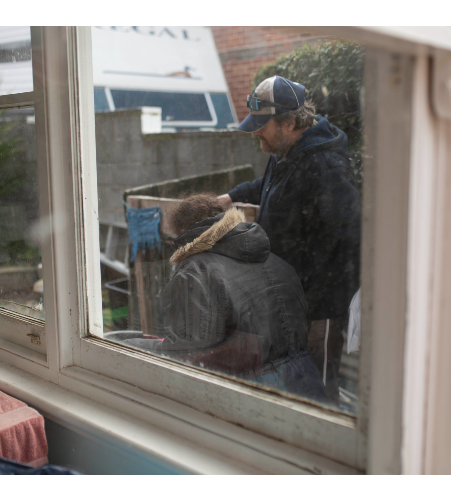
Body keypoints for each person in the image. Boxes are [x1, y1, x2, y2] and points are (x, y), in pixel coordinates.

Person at [217, 76, 361, 403]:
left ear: (290, 122)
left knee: (318, 392)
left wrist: (310, 298)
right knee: (295, 387)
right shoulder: (285, 150)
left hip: (317, 311)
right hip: (291, 304)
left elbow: (352, 235)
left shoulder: (325, 165)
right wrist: (229, 197)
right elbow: (267, 184)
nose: (255, 132)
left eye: (261, 125)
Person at [122, 195, 326, 403]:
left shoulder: (196, 271)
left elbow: (189, 352)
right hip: (308, 380)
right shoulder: (279, 262)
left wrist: (128, 346)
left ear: (183, 233)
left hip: (257, 391)